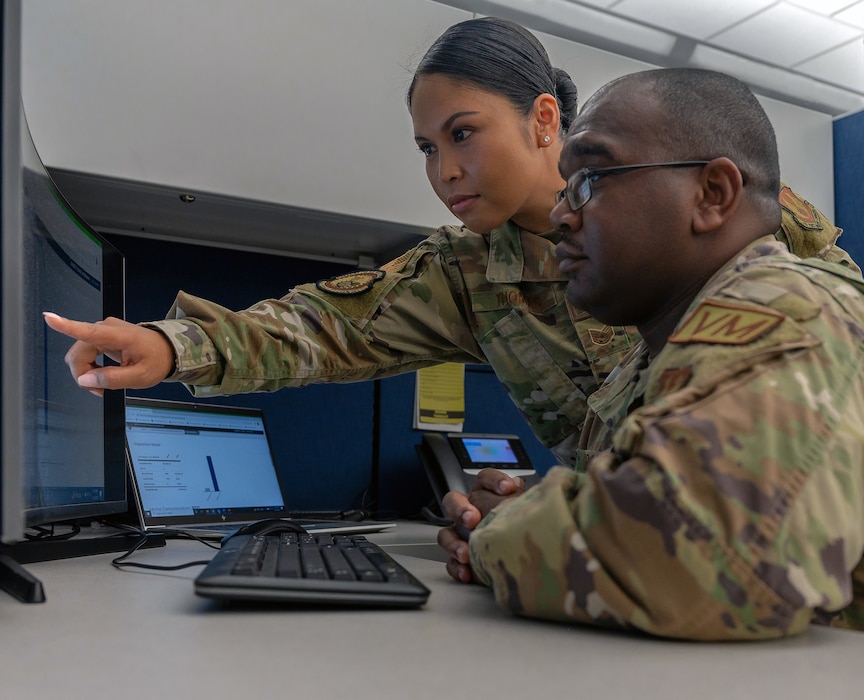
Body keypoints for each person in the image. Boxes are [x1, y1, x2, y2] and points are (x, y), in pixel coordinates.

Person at [44, 18, 855, 471]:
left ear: (544, 121)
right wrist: (169, 344)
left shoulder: (711, 198)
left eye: (463, 133)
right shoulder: (469, 273)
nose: (446, 169)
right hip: (617, 563)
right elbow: (326, 326)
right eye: (428, 148)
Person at [438, 67, 864, 641]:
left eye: (591, 178)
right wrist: (543, 506)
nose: (562, 214)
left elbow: (702, 565)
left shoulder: (787, 312)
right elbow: (638, 505)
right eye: (566, 187)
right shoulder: (642, 366)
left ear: (711, 195)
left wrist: (501, 527)